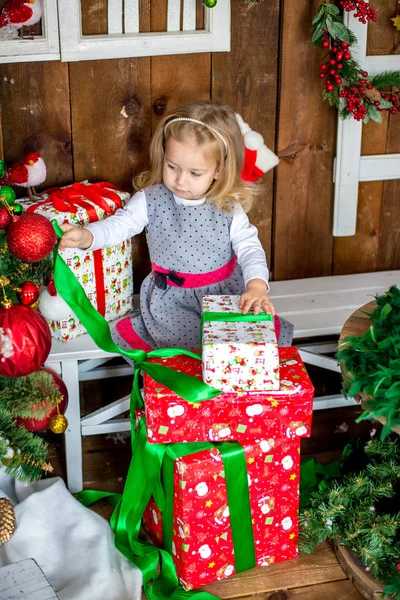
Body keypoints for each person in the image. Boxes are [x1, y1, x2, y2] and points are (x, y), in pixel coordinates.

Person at [59, 100, 293, 351]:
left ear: (218, 170)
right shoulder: (151, 200)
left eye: (195, 173)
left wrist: (256, 285)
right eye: (172, 167)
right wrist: (87, 236)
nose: (181, 180)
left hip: (226, 296)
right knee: (183, 355)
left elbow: (250, 249)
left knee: (235, 351)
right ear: (164, 155)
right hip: (171, 302)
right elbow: (120, 225)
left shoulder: (227, 208)